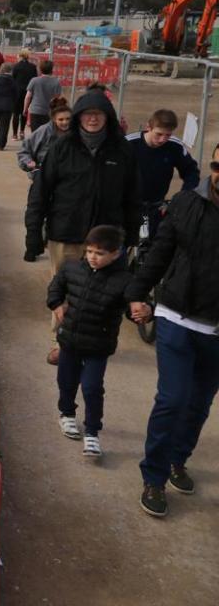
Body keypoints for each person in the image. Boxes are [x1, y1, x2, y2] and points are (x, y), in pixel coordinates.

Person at [125, 142, 219, 518]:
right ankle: (155, 476)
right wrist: (135, 293)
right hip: (176, 316)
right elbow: (160, 252)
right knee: (173, 399)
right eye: (217, 163)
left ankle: (179, 459)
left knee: (199, 404)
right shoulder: (185, 203)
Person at [25, 89, 141, 365]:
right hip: (66, 232)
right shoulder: (61, 149)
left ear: (107, 118)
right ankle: (61, 342)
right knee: (63, 289)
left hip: (106, 236)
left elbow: (133, 195)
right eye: (87, 114)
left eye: (98, 114)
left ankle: (94, 343)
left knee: (102, 294)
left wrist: (132, 234)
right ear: (78, 118)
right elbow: (40, 192)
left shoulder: (122, 151)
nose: (92, 119)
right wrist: (33, 233)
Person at [48, 224, 140, 458]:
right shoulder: (72, 268)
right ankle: (67, 414)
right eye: (89, 251)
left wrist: (142, 311)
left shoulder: (124, 280)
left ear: (116, 254)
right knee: (66, 381)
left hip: (98, 346)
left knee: (92, 388)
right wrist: (57, 304)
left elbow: (133, 306)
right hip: (69, 341)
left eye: (99, 253)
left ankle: (92, 433)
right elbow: (55, 288)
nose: (92, 257)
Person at [126, 109, 200, 239]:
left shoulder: (175, 146)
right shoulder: (128, 144)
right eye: (159, 134)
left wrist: (184, 196)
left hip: (157, 206)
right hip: (128, 206)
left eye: (168, 135)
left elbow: (191, 171)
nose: (162, 139)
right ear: (148, 127)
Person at [17, 96, 72, 175]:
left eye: (68, 119)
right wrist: (29, 162)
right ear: (53, 118)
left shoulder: (75, 133)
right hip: (44, 177)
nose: (65, 122)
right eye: (61, 119)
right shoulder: (43, 132)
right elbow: (24, 152)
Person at [0, 62, 19, 150]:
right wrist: (13, 103)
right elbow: (16, 94)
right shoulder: (12, 81)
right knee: (4, 126)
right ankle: (0, 144)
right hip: (7, 106)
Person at [24, 60, 61, 131]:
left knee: (35, 133)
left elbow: (28, 97)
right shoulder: (56, 82)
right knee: (47, 133)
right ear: (51, 69)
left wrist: (25, 109)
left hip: (35, 110)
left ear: (40, 69)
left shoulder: (34, 80)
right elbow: (57, 98)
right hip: (48, 111)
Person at [11, 49, 39, 140]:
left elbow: (13, 78)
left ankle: (14, 134)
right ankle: (22, 132)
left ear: (21, 56)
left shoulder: (16, 66)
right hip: (28, 92)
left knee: (16, 113)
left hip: (17, 92)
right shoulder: (33, 67)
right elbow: (35, 78)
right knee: (24, 111)